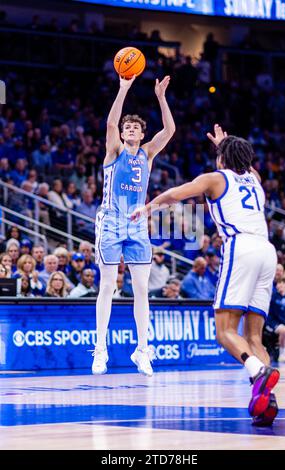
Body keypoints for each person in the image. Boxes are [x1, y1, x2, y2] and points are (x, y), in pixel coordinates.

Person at [131, 124, 280, 425]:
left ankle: (257, 371)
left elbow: (176, 193)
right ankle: (267, 402)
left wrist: (149, 207)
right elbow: (244, 164)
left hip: (241, 247)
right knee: (254, 336)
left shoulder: (215, 178)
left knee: (225, 331)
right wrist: (227, 146)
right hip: (268, 251)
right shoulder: (256, 179)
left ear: (222, 159)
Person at [93, 74, 175, 377]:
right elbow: (110, 124)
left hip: (137, 224)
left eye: (135, 127)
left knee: (142, 289)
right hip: (111, 221)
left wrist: (161, 97)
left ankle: (142, 350)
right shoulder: (114, 152)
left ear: (141, 135)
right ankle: (100, 349)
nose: (129, 129)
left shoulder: (148, 153)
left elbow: (169, 130)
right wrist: (123, 88)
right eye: (127, 126)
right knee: (107, 286)